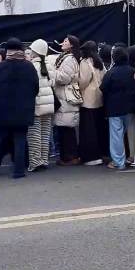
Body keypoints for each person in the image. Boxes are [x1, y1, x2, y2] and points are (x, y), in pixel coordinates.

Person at [0, 38, 39, 179]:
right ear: (21, 50)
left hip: (2, 110)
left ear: (7, 51)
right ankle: (18, 171)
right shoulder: (29, 67)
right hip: (23, 110)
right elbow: (35, 88)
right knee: (19, 140)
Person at [100, 46, 135, 170]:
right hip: (130, 107)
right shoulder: (133, 71)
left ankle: (118, 161)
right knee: (124, 133)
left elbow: (103, 88)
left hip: (114, 108)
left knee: (116, 135)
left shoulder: (111, 72)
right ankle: (127, 157)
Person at [52, 35, 81, 166]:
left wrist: (53, 72)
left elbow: (65, 78)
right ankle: (67, 156)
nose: (62, 43)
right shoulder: (66, 57)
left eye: (65, 41)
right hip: (64, 96)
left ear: (71, 45)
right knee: (65, 128)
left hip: (66, 97)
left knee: (67, 129)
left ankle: (70, 157)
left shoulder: (69, 59)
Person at [27, 39, 55, 172]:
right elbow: (53, 82)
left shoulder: (32, 66)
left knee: (34, 134)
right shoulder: (49, 64)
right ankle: (44, 160)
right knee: (45, 134)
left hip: (37, 104)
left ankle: (35, 162)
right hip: (49, 104)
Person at [78, 41, 105, 166]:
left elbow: (83, 80)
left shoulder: (85, 62)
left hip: (88, 99)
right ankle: (100, 154)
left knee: (88, 130)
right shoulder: (100, 62)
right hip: (99, 98)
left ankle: (91, 157)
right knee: (98, 128)